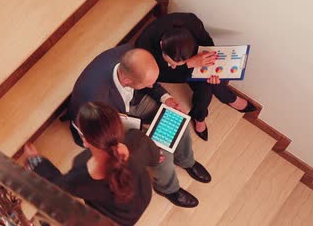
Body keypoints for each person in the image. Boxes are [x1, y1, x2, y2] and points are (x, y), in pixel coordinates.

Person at [67, 45, 210, 208]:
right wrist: (147, 145)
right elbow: (103, 139)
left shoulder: (131, 56)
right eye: (147, 84)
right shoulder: (93, 100)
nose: (152, 86)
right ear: (128, 81)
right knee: (161, 153)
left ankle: (185, 160)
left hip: (130, 102)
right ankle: (167, 188)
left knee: (177, 121)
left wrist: (166, 99)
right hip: (102, 127)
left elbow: (150, 82)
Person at [23, 102, 162, 225]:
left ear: (85, 141)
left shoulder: (81, 175)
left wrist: (36, 161)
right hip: (144, 195)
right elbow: (155, 156)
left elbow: (58, 186)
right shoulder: (137, 140)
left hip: (117, 218)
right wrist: (156, 157)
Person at [135, 13, 257, 142]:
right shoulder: (144, 46)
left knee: (206, 85)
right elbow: (155, 76)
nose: (174, 66)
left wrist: (204, 63)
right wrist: (187, 64)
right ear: (161, 45)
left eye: (178, 64)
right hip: (165, 72)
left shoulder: (192, 22)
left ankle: (199, 116)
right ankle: (226, 97)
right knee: (206, 84)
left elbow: (208, 46)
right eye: (172, 63)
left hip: (194, 60)